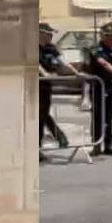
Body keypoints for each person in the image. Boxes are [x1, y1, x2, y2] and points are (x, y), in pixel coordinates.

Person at [88, 25, 112, 156]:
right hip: (98, 86)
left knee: (109, 116)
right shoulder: (95, 48)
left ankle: (108, 145)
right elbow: (103, 63)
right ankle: (96, 145)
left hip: (109, 85)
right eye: (109, 36)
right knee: (98, 116)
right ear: (103, 36)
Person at [39, 24, 72, 152]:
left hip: (46, 85)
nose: (51, 36)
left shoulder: (51, 48)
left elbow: (62, 62)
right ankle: (59, 137)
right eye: (49, 34)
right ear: (40, 34)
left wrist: (75, 72)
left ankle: (42, 145)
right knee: (39, 114)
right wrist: (44, 74)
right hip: (33, 83)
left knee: (42, 113)